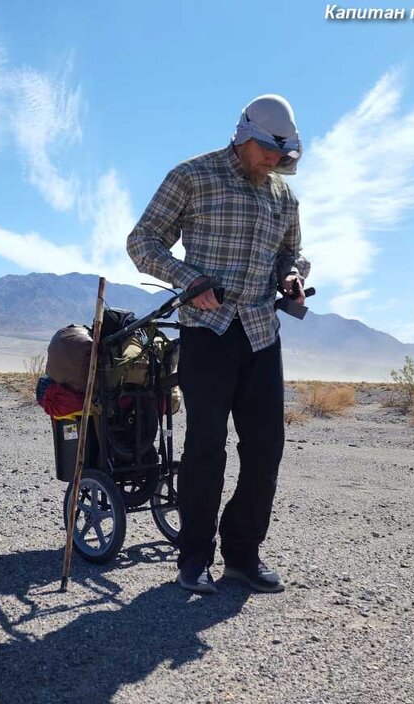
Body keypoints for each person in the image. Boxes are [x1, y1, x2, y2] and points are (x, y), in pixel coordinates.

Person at [126, 94, 309, 594]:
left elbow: (291, 253)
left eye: (283, 152)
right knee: (206, 448)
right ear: (243, 135)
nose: (275, 160)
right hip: (208, 332)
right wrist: (189, 280)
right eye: (269, 150)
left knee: (267, 447)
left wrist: (290, 277)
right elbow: (143, 242)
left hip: (260, 334)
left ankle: (243, 556)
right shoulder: (193, 175)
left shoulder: (283, 196)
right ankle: (193, 560)